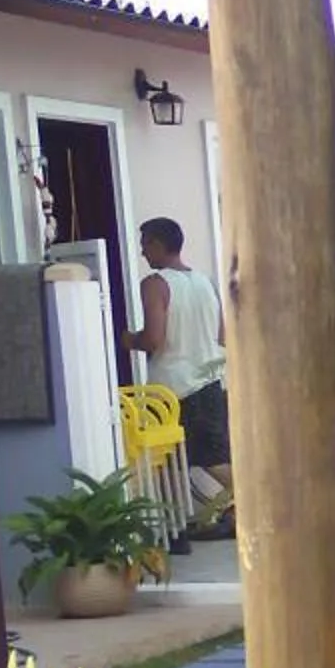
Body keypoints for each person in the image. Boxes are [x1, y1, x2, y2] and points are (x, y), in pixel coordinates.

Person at [130, 217, 232, 541]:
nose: (142, 251)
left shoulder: (155, 283)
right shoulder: (205, 282)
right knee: (196, 458)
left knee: (197, 460)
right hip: (211, 380)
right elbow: (223, 335)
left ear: (159, 244)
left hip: (176, 388)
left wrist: (126, 339)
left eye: (145, 243)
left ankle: (259, 500)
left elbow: (152, 340)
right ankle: (184, 527)